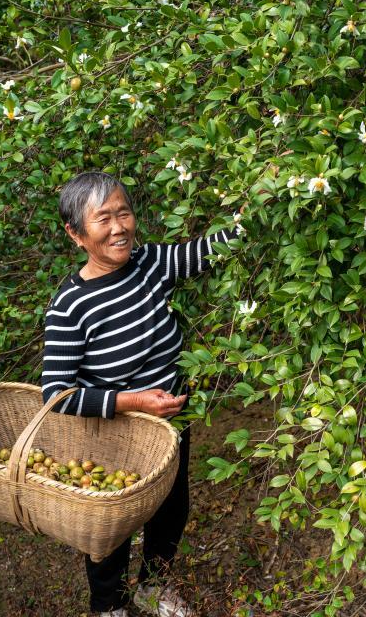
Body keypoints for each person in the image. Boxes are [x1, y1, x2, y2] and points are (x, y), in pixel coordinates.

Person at [41, 171, 236, 617]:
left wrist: (262, 204)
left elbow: (211, 249)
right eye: (102, 218)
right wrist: (133, 401)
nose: (118, 227)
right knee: (112, 526)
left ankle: (154, 585)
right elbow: (56, 394)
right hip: (113, 434)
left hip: (168, 422)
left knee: (171, 507)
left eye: (123, 212)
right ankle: (108, 605)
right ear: (76, 234)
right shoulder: (71, 307)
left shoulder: (151, 263)